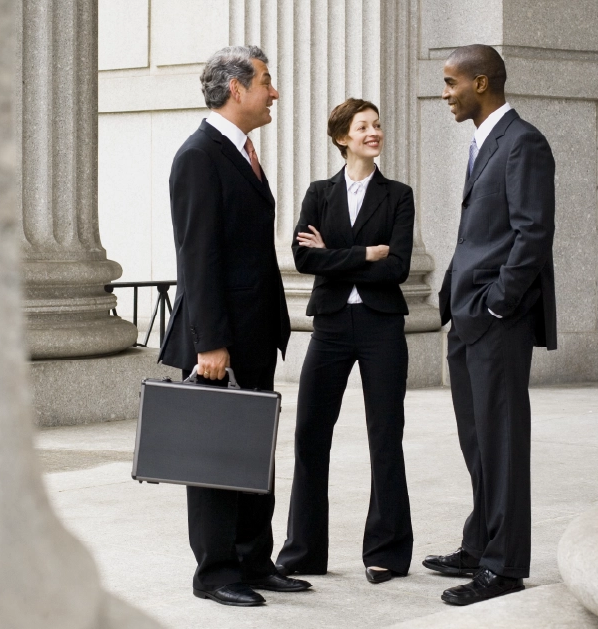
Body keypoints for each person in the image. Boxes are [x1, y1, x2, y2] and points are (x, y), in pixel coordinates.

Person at [158, 45, 311, 607]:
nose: (274, 92)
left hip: (254, 332)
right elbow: (196, 258)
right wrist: (211, 343)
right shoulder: (198, 155)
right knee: (217, 456)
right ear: (236, 89)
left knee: (252, 451)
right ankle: (217, 573)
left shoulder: (242, 152)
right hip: (220, 340)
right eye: (266, 81)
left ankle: (252, 560)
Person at [425, 44, 557, 606]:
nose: (446, 93)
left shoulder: (523, 142)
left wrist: (498, 303)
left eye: (452, 82)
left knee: (501, 442)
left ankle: (503, 567)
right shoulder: (486, 143)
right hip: (470, 317)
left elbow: (533, 233)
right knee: (477, 439)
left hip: (497, 319)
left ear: (481, 82)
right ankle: (481, 541)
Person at [274, 98, 415, 585]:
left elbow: (396, 267)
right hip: (331, 326)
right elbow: (302, 259)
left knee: (385, 436)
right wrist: (364, 254)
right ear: (342, 138)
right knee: (310, 433)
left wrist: (336, 254)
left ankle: (387, 553)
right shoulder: (319, 193)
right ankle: (304, 551)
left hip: (381, 327)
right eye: (363, 127)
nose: (374, 132)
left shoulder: (398, 195)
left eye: (377, 124)